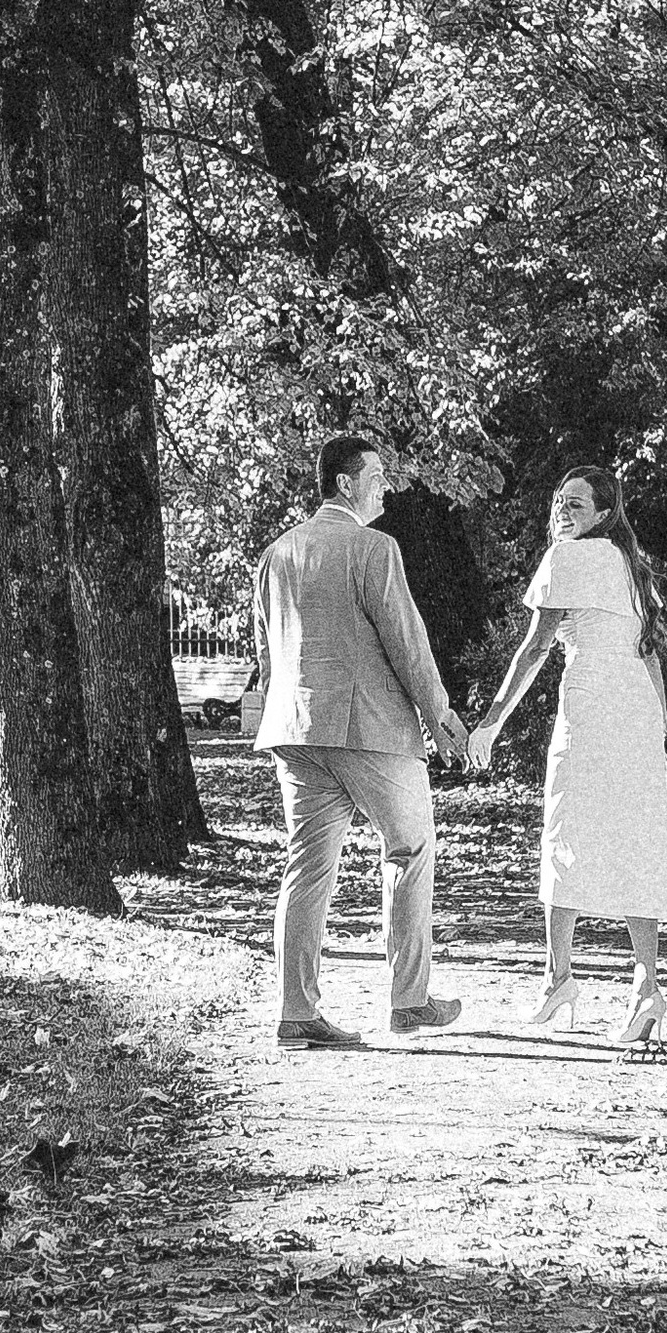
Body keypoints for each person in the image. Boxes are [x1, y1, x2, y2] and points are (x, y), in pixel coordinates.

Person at [252, 433, 467, 1050]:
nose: (386, 485)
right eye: (377, 474)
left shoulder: (277, 553)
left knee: (306, 868)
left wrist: (285, 713)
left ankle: (296, 1012)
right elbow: (407, 641)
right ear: (345, 483)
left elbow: (267, 656)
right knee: (410, 847)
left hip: (295, 730)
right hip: (368, 729)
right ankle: (409, 1000)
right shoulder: (375, 549)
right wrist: (442, 716)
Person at [467, 460, 667, 1047]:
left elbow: (534, 649)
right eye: (560, 501)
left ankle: (559, 976)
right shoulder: (631, 567)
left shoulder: (568, 557)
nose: (562, 511)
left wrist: (489, 724)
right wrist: (664, 731)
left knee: (566, 830)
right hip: (636, 712)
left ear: (604, 515)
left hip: (589, 708)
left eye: (577, 504)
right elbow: (649, 655)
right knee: (638, 838)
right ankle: (646, 987)